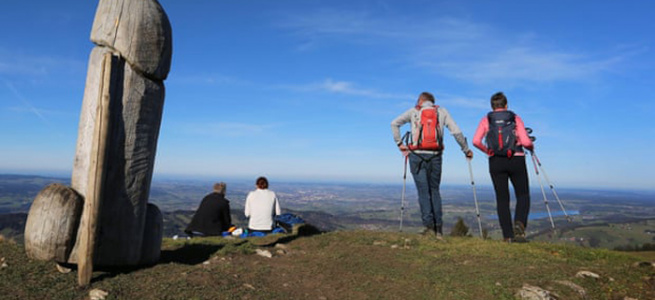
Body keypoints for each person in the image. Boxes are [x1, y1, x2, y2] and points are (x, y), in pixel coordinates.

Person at [391, 92, 473, 238]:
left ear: (420, 101)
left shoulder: (414, 111)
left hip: (416, 156)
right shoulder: (441, 112)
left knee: (423, 192)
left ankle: (428, 227)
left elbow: (394, 123)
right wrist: (466, 149)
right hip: (435, 156)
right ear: (432, 102)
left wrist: (400, 144)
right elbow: (456, 131)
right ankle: (438, 229)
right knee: (434, 191)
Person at [473, 92, 534, 243]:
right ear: (506, 105)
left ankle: (507, 236)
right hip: (516, 159)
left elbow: (475, 141)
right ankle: (519, 224)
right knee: (523, 194)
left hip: (495, 161)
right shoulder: (514, 118)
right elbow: (526, 142)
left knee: (502, 199)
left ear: (492, 106)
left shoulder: (486, 120)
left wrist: (488, 151)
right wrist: (530, 146)